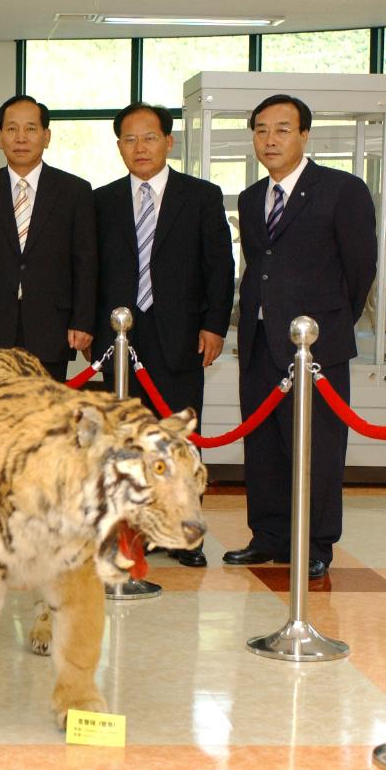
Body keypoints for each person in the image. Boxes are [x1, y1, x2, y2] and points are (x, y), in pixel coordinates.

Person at [221, 94, 377, 580]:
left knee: (317, 448)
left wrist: (327, 329)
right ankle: (268, 535)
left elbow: (360, 270)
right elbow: (259, 269)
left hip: (317, 348)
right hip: (259, 341)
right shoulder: (250, 199)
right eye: (262, 129)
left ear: (305, 135)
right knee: (264, 443)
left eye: (282, 129)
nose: (270, 139)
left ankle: (316, 542)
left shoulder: (341, 190)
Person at [92, 102, 234, 568]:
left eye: (149, 137)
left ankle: (183, 537)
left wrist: (215, 324)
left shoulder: (201, 196)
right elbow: (89, 274)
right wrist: (94, 336)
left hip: (183, 335)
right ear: (119, 147)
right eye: (129, 140)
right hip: (121, 341)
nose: (140, 148)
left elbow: (220, 267)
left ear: (168, 142)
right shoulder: (102, 200)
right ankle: (129, 537)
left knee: (177, 448)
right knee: (125, 448)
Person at [0, 94, 96, 381]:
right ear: (0, 137)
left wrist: (83, 321)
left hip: (51, 325)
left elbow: (85, 262)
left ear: (46, 136)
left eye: (30, 129)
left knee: (46, 418)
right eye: (12, 129)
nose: (21, 137)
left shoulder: (74, 192)